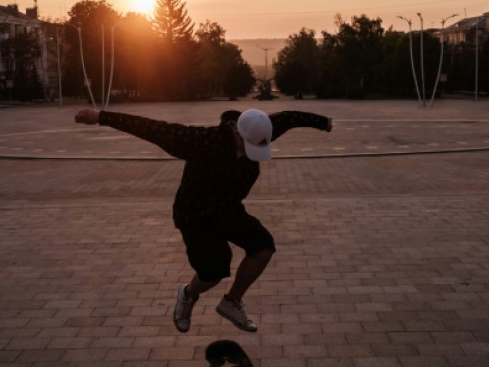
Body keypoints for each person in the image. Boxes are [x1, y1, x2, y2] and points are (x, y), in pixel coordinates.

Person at [74, 107, 333, 333]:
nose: (254, 153)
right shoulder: (201, 141)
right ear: (236, 133)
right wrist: (101, 117)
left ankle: (231, 303)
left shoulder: (262, 129)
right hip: (195, 215)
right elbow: (154, 129)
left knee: (263, 247)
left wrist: (323, 122)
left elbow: (290, 117)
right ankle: (187, 295)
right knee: (214, 271)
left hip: (228, 209)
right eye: (249, 147)